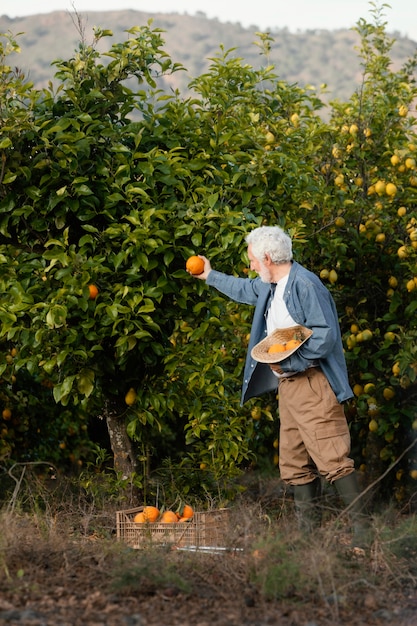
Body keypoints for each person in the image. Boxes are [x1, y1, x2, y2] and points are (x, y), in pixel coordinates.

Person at [189, 225, 370, 546]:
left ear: (268, 258)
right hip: (288, 389)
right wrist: (210, 276)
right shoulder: (271, 286)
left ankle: (363, 536)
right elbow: (245, 288)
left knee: (332, 456)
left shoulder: (305, 284)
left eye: (253, 261)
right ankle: (307, 540)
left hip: (313, 383)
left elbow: (325, 335)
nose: (252, 267)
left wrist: (290, 363)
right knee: (294, 460)